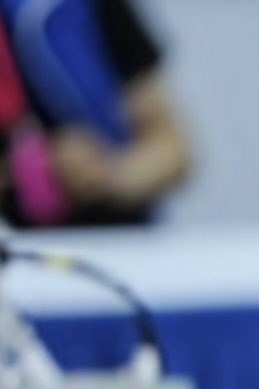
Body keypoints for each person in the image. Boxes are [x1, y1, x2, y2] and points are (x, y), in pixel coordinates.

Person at [0, 0, 191, 227]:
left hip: (116, 233)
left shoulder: (82, 7)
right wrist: (23, 174)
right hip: (20, 237)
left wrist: (109, 176)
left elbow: (173, 151)